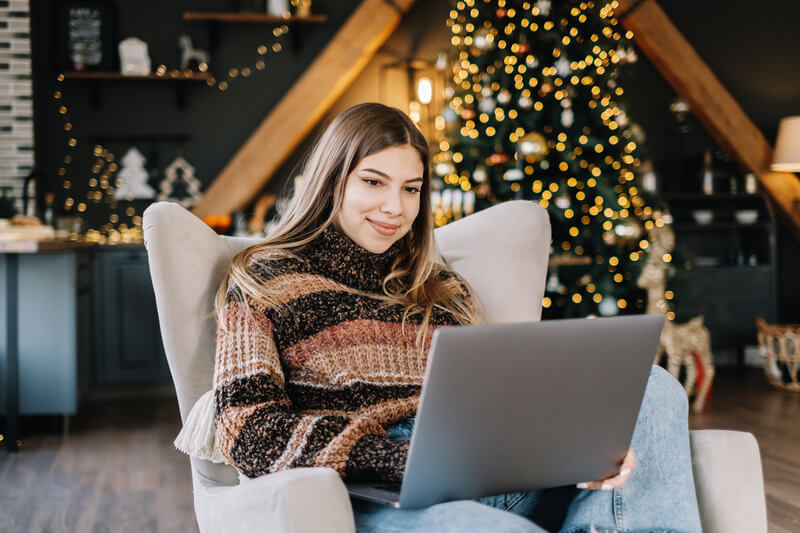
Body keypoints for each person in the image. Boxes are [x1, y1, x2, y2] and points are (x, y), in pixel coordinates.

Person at [213, 102, 702, 533]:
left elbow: (501, 400)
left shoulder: (443, 288)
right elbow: (247, 428)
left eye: (411, 189)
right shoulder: (265, 277)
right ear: (331, 177)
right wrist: (402, 460)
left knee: (652, 385)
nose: (395, 207)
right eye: (373, 182)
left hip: (492, 469)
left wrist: (579, 451)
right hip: (377, 490)